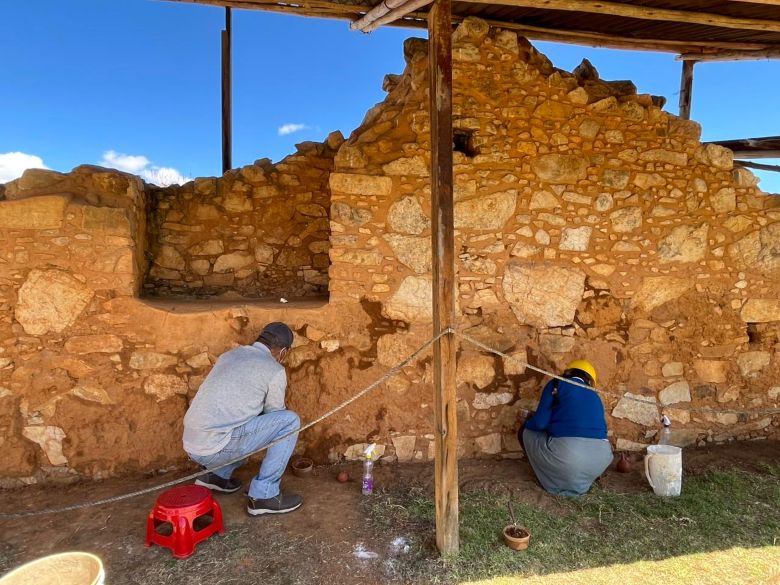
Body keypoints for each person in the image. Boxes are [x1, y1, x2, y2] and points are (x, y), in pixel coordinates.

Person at [183, 322, 303, 516]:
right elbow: (274, 416)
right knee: (289, 422)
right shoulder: (274, 370)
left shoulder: (229, 355)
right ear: (282, 352)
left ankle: (216, 476)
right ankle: (264, 496)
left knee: (241, 420)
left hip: (191, 443)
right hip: (215, 448)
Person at [518, 359, 613, 496]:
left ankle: (550, 476)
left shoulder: (556, 384)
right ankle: (579, 481)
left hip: (569, 456)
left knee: (526, 432)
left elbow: (540, 423)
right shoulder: (595, 396)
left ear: (568, 372)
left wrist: (527, 422)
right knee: (571, 456)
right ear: (590, 380)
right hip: (601, 459)